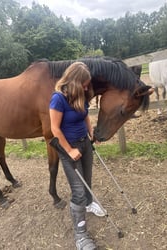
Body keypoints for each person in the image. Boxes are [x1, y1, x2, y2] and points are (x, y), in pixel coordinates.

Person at [49, 62, 106, 250]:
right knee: (78, 191)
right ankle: (80, 235)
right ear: (74, 81)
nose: (87, 87)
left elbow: (85, 115)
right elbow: (55, 128)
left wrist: (91, 132)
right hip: (69, 147)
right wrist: (69, 149)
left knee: (87, 180)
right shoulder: (58, 98)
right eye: (84, 84)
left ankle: (89, 205)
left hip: (85, 143)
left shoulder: (80, 94)